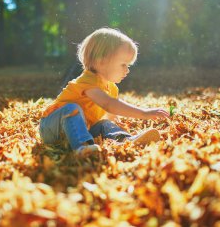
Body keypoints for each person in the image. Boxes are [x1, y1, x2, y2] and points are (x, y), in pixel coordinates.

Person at [39, 27, 170, 158]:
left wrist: (113, 126)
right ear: (101, 61)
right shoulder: (88, 81)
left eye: (128, 66)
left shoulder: (111, 88)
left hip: (81, 130)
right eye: (123, 64)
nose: (127, 70)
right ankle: (82, 148)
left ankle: (125, 140)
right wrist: (144, 113)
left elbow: (110, 114)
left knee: (104, 124)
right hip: (52, 127)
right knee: (72, 109)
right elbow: (109, 104)